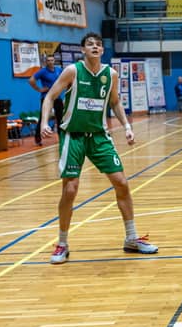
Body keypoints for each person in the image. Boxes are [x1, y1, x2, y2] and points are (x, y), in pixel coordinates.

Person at [39, 32, 158, 264]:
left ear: (102, 50)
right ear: (83, 50)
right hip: (73, 135)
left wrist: (127, 126)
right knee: (70, 190)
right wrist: (44, 122)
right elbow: (50, 97)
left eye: (98, 44)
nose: (95, 47)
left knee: (122, 183)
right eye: (90, 44)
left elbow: (115, 102)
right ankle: (62, 243)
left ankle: (131, 238)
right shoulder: (73, 71)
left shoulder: (110, 74)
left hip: (98, 135)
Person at [30, 55, 63, 146]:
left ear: (54, 61)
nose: (50, 62)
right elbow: (31, 80)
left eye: (52, 60)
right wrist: (39, 89)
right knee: (43, 117)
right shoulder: (43, 71)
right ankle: (38, 138)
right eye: (48, 60)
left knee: (60, 118)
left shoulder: (59, 70)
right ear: (46, 62)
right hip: (46, 98)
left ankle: (61, 137)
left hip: (57, 97)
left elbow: (64, 80)